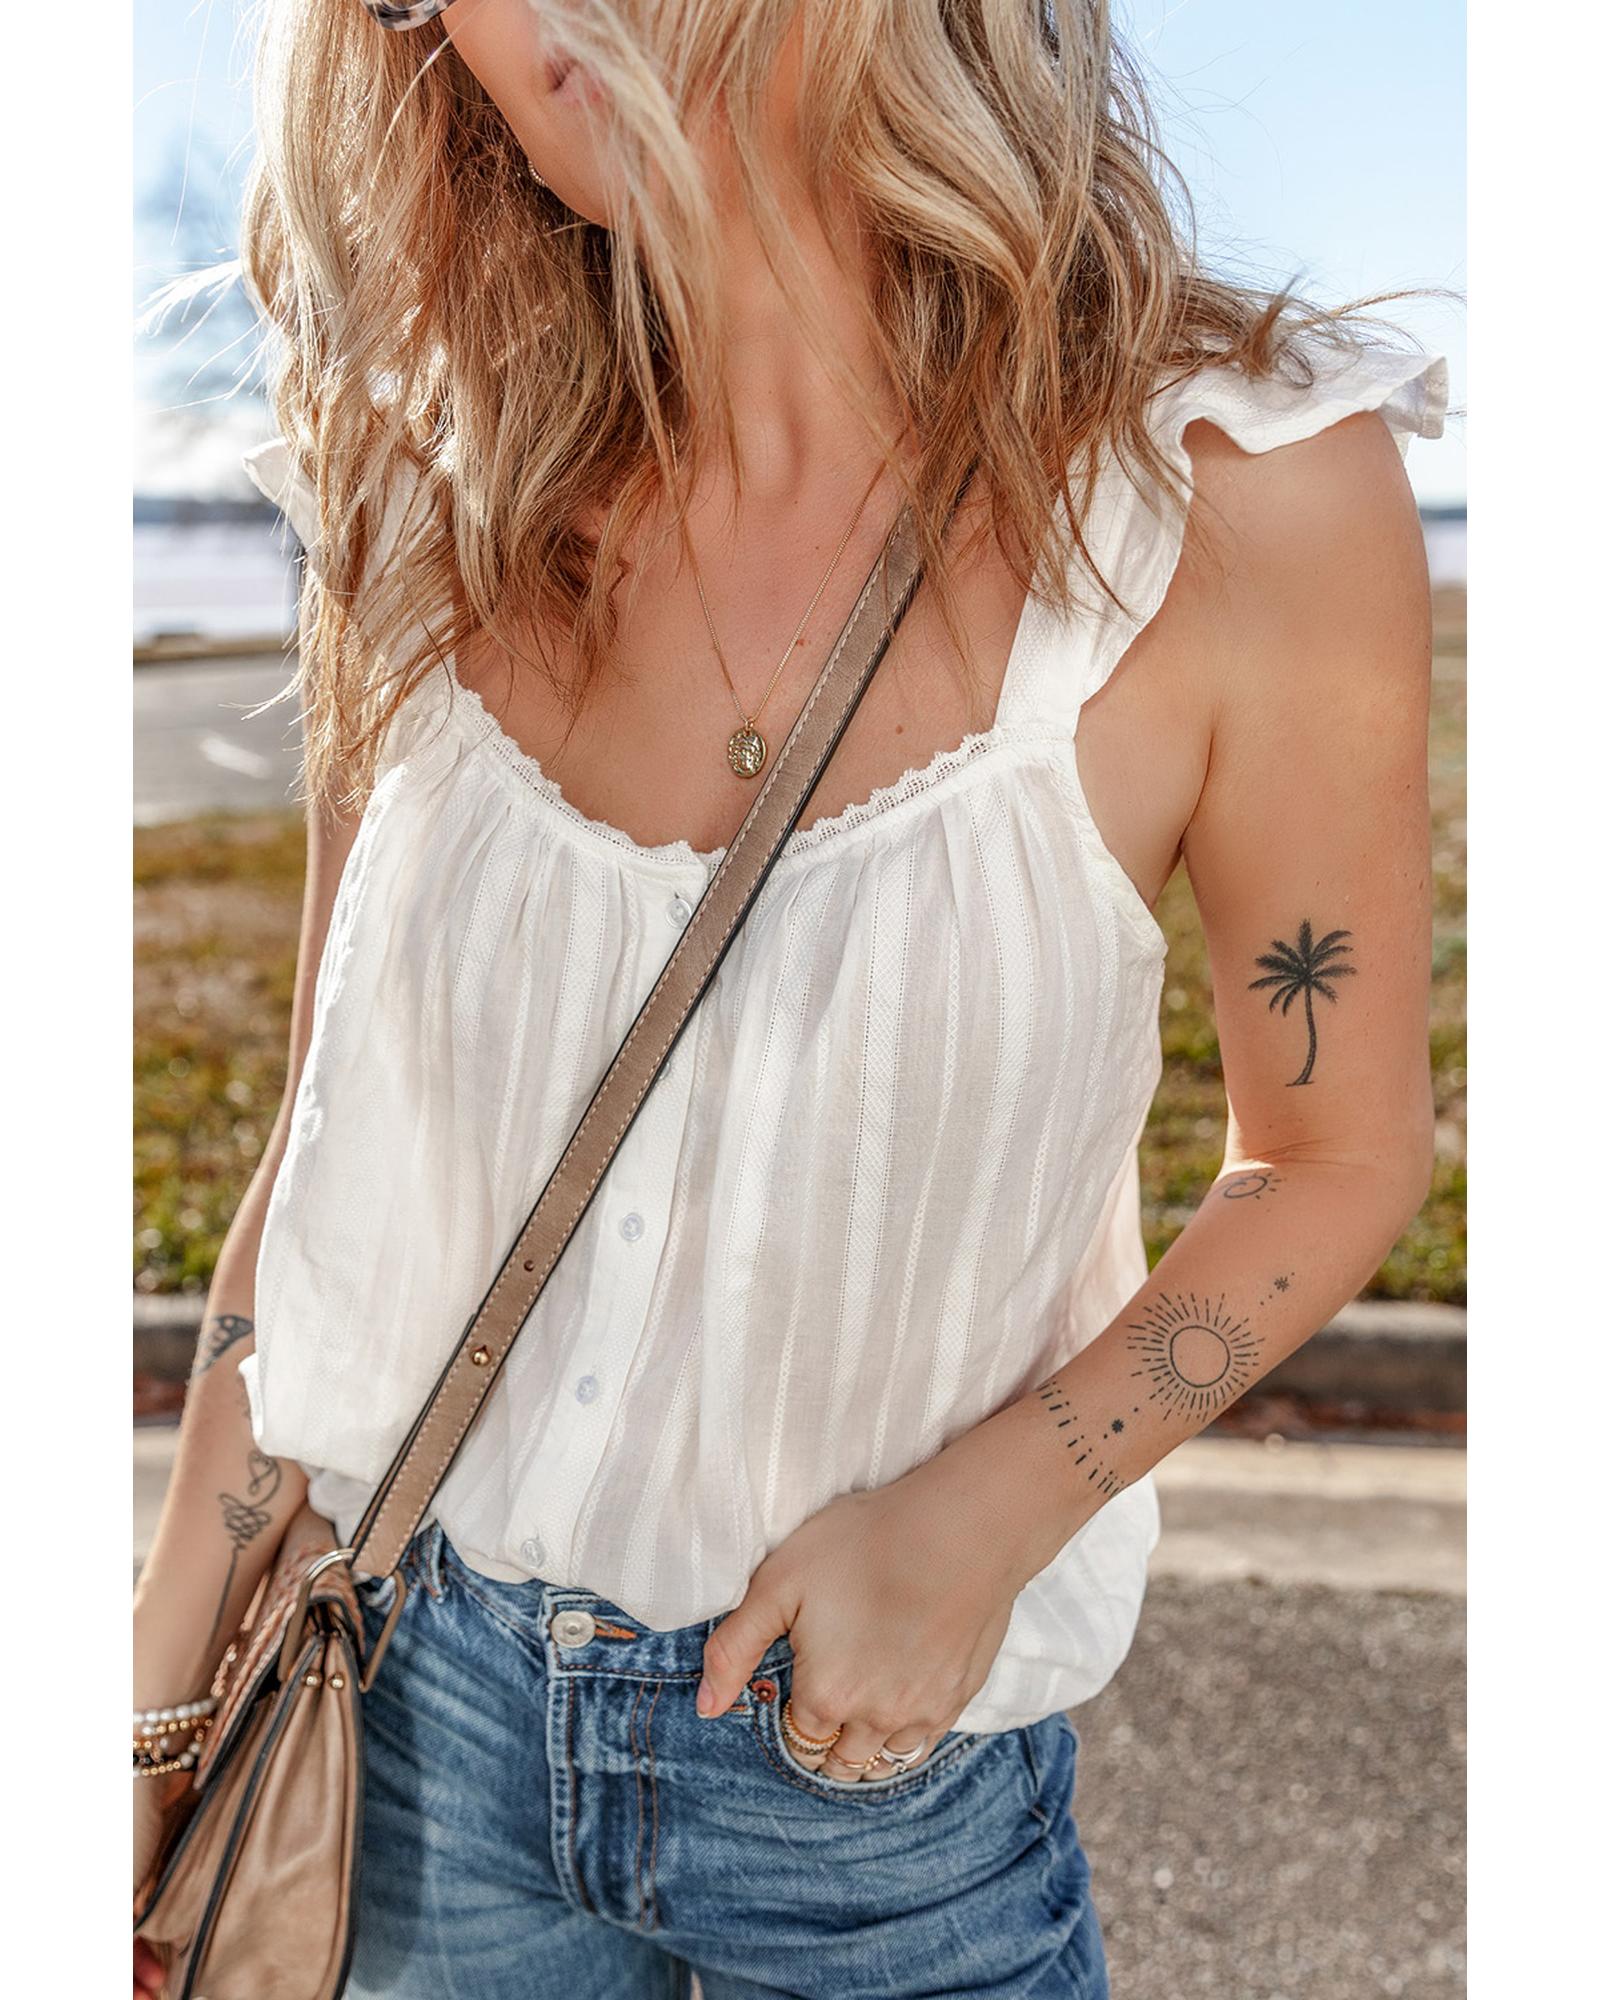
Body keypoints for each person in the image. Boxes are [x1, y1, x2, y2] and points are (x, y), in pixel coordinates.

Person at [133, 2, 1449, 1995]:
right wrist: (151, 1686)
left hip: (876, 1799)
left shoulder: (1233, 501)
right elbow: (329, 1151)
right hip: (406, 1728)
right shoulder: (431, 492)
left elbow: (1334, 1151)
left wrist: (985, 1518)